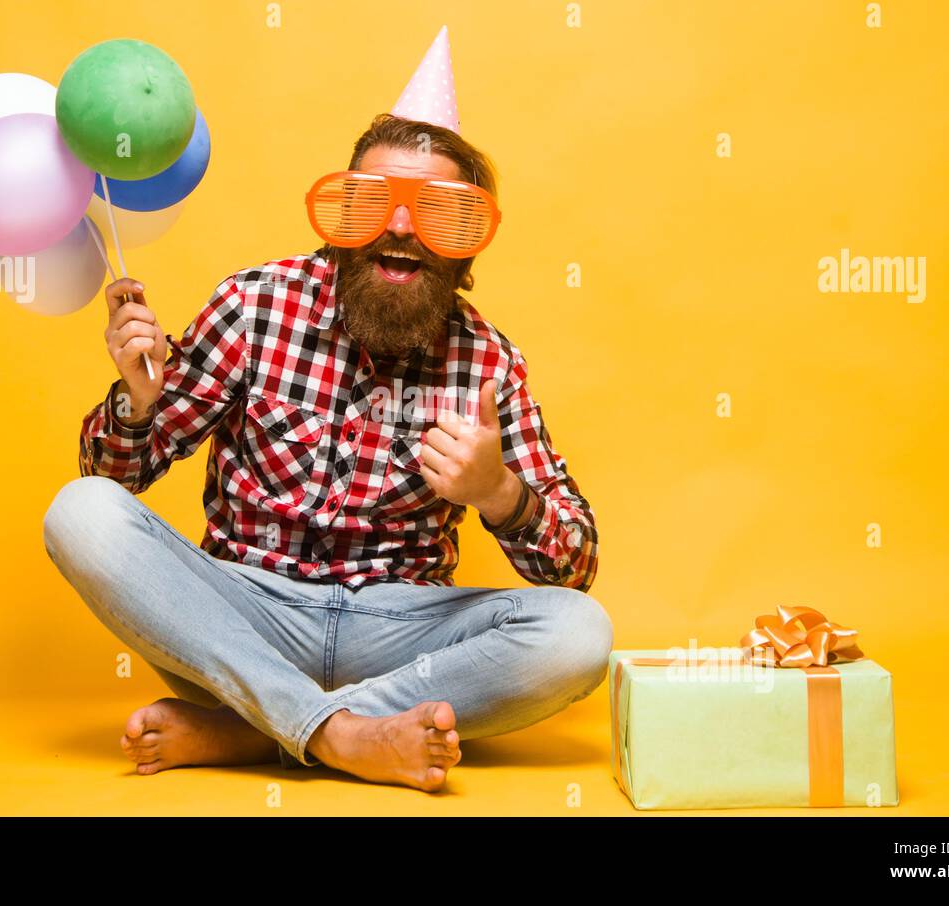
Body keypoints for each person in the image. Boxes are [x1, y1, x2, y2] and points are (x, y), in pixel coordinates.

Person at [42, 31, 611, 792]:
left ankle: (255, 729)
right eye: (376, 203)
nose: (402, 229)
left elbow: (575, 564)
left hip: (401, 630)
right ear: (340, 217)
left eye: (434, 214)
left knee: (578, 637)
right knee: (80, 511)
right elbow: (112, 475)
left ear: (464, 246)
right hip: (244, 616)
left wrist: (500, 495)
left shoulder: (488, 364)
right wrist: (141, 407)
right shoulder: (253, 306)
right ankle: (340, 733)